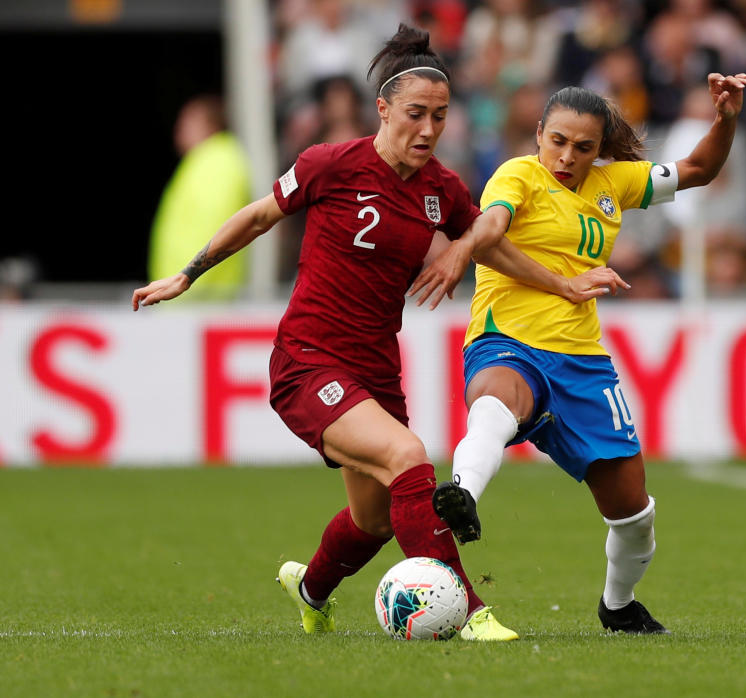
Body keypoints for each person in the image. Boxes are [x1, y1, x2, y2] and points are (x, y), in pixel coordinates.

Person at [132, 24, 621, 641]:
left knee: (375, 520)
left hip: (375, 369)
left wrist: (558, 282)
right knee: (410, 458)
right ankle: (471, 613)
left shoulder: (441, 190)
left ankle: (310, 590)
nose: (428, 130)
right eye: (415, 114)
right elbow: (259, 216)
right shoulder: (331, 164)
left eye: (440, 117)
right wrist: (187, 274)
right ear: (384, 110)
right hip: (308, 361)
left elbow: (489, 244)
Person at [415, 73, 746, 634]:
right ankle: (461, 493)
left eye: (583, 147)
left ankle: (617, 605)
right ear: (539, 134)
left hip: (582, 362)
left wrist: (726, 119)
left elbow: (698, 171)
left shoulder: (612, 184)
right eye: (558, 142)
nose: (567, 157)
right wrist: (468, 253)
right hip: (507, 340)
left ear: (599, 150)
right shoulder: (517, 175)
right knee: (497, 402)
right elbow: (492, 228)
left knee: (635, 515)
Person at [148, 95, 251, 301]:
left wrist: (187, 282)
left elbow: (214, 230)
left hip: (198, 299)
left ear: (210, 125)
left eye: (187, 122)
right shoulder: (204, 163)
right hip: (191, 296)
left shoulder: (216, 164)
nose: (178, 131)